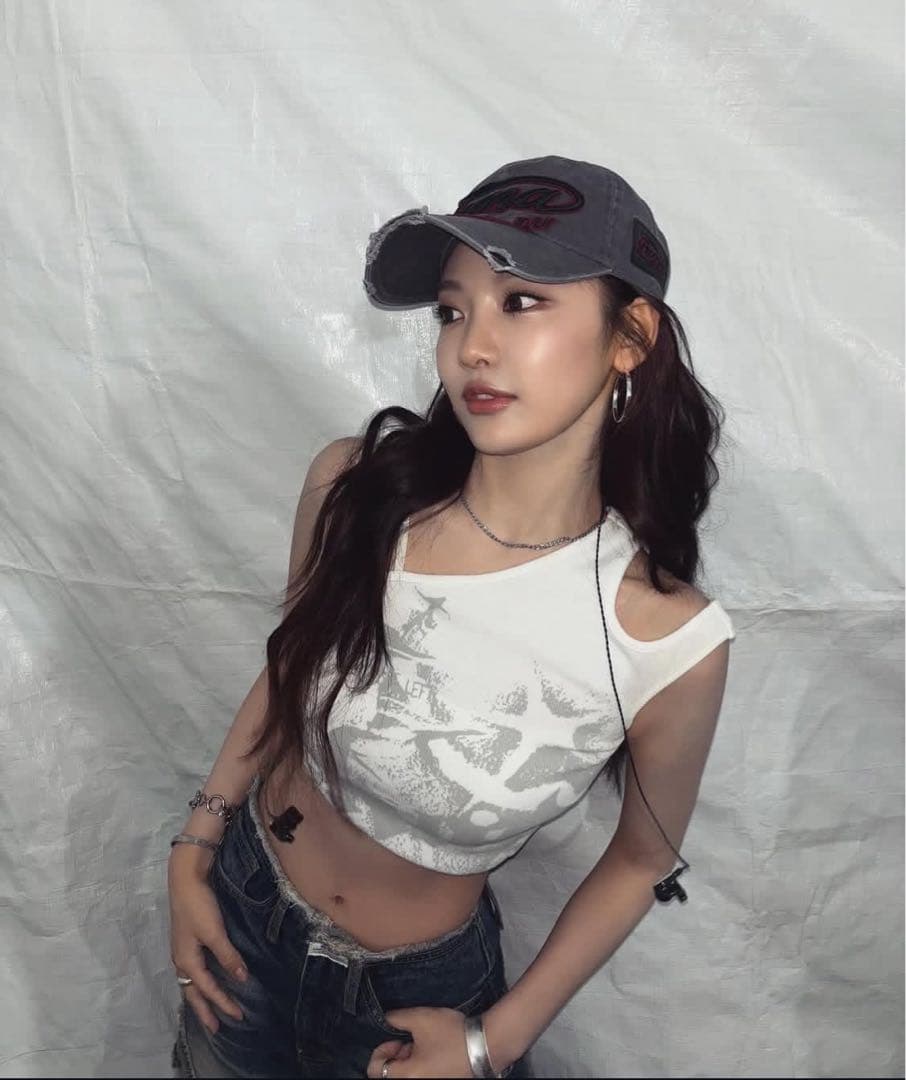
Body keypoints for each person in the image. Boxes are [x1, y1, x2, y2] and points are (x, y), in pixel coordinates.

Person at [168, 155, 736, 1079]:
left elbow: (642, 861)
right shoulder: (355, 491)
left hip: (420, 1004)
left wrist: (490, 1043)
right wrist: (193, 849)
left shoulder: (666, 640)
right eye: (452, 310)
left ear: (631, 335)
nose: (472, 346)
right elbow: (288, 669)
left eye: (521, 302)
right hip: (243, 922)